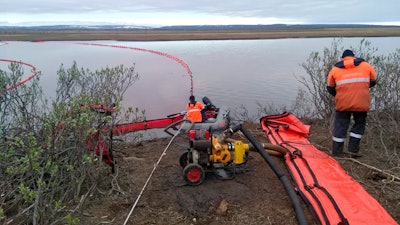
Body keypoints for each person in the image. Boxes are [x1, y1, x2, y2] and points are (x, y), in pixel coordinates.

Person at [327, 49, 377, 157]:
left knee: (340, 125)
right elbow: (373, 81)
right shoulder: (366, 66)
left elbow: (330, 88)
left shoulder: (335, 69)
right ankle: (353, 150)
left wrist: (340, 95)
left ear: (342, 58)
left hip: (343, 103)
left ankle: (337, 152)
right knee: (359, 124)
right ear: (354, 57)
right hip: (361, 102)